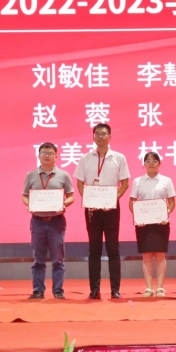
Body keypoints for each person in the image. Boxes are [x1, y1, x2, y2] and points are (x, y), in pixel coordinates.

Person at [74, 122, 130, 299]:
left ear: (110, 137)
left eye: (103, 134)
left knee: (113, 249)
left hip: (111, 208)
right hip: (92, 210)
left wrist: (114, 199)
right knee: (94, 249)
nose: (100, 137)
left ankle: (115, 290)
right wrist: (88, 200)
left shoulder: (119, 158)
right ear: (93, 137)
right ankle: (94, 290)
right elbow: (80, 182)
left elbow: (125, 183)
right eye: (97, 134)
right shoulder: (85, 158)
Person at [22, 142, 74, 299]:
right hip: (37, 221)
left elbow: (71, 196)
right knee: (38, 259)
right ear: (38, 155)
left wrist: (63, 204)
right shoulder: (31, 175)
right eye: (43, 153)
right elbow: (25, 196)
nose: (47, 156)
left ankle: (58, 291)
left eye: (50, 153)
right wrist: (29, 205)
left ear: (56, 156)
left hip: (56, 222)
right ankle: (38, 291)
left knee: (58, 259)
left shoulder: (63, 175)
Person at [129, 151, 176, 297]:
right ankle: (149, 288)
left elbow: (172, 202)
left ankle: (160, 287)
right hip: (143, 224)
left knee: (160, 256)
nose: (151, 163)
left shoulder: (166, 181)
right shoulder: (137, 181)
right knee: (147, 256)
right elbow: (132, 202)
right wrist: (138, 217)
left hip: (161, 223)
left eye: (154, 161)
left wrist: (166, 213)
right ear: (144, 164)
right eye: (148, 161)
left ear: (159, 164)